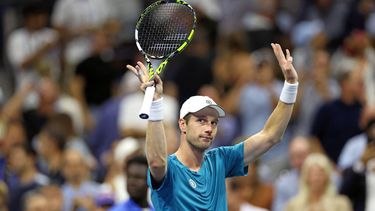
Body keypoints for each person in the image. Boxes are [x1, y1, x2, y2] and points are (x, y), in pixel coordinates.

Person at [126, 43, 299, 210]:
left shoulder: (220, 160)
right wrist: (155, 104)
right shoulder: (169, 168)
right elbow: (156, 162)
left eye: (213, 122)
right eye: (201, 120)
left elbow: (271, 135)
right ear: (182, 124)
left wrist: (290, 85)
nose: (209, 128)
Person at [285, 153, 352, 211]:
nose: (316, 178)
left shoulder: (342, 203)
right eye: (312, 173)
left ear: (327, 176)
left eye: (320, 173)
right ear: (306, 176)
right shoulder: (293, 206)